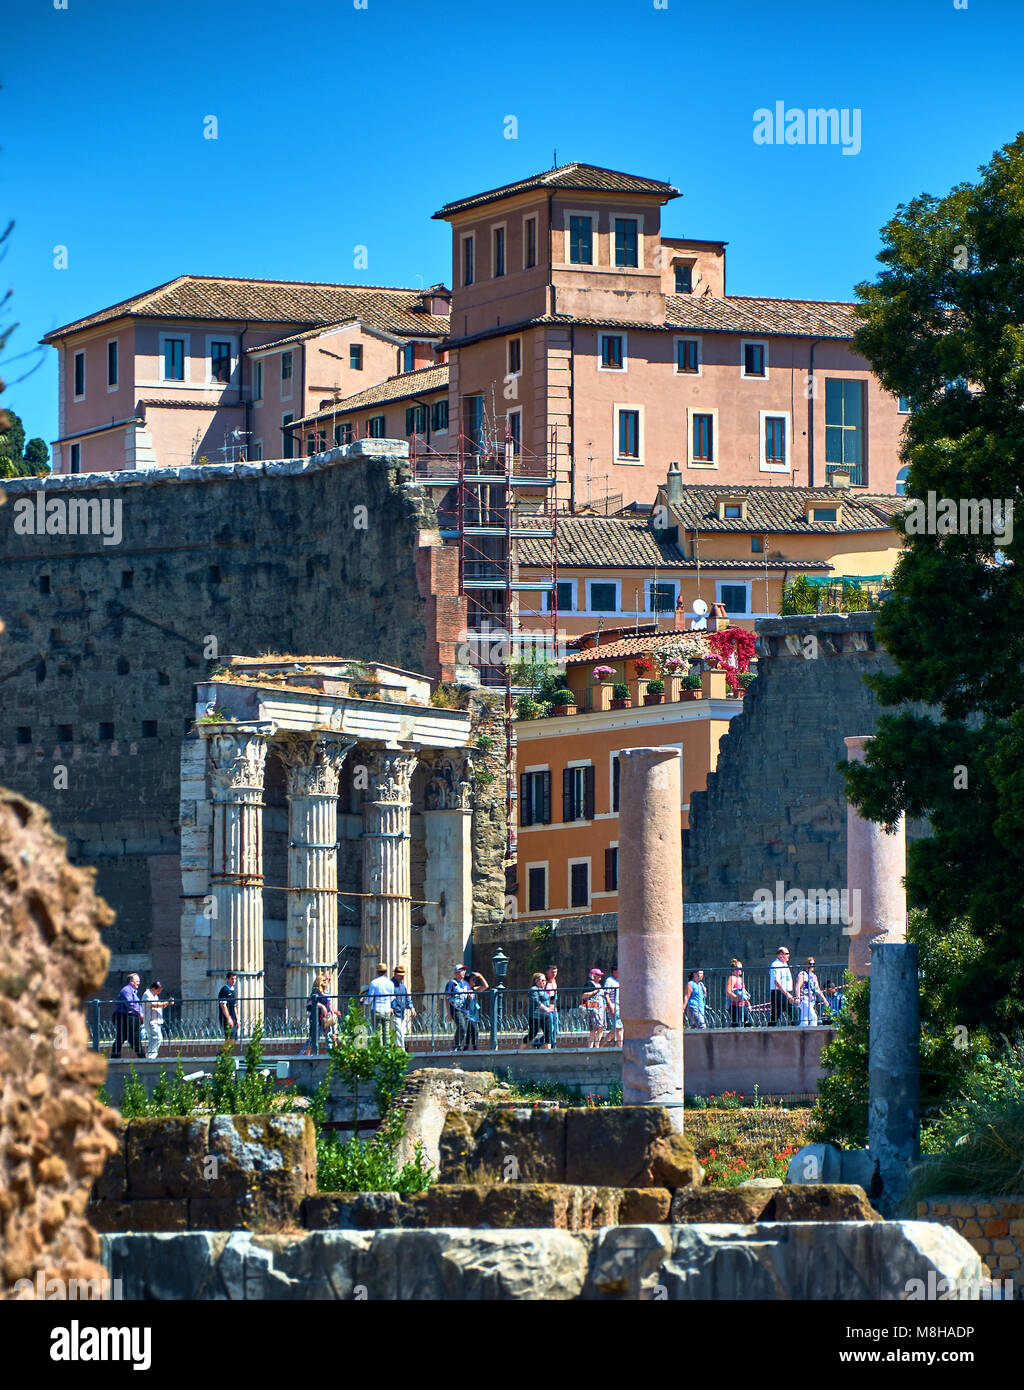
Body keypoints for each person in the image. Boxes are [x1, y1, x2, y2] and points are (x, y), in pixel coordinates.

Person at [299, 972, 337, 1055]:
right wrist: (322, 1007)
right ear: (318, 981)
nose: (326, 981)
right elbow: (310, 1002)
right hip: (318, 1019)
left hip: (326, 1019)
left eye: (327, 980)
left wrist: (333, 1011)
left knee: (329, 1037)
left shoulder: (324, 993)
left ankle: (330, 1055)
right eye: (324, 980)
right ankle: (301, 1054)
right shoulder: (315, 991)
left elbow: (328, 1004)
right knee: (313, 1038)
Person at [112, 973, 144, 1059]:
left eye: (139, 981)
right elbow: (131, 1004)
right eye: (137, 981)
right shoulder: (126, 990)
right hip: (124, 1018)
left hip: (131, 1018)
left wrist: (141, 1014)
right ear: (131, 982)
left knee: (132, 1038)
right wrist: (140, 1014)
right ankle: (115, 1058)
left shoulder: (134, 992)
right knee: (122, 1037)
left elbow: (137, 1005)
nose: (138, 983)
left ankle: (142, 1057)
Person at [362, 962, 396, 1042]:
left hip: (377, 1009)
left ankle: (379, 1050)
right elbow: (392, 997)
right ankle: (386, 1051)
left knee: (377, 1033)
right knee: (386, 1033)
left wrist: (364, 1001)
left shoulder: (374, 982)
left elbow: (370, 998)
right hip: (387, 1009)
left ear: (378, 972)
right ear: (385, 971)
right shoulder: (390, 983)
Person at [141, 980, 174, 1060]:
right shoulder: (147, 994)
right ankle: (150, 1057)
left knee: (156, 1038)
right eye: (158, 990)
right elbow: (154, 1005)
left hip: (155, 1020)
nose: (158, 992)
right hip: (151, 1021)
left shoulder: (154, 995)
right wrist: (166, 1002)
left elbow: (161, 1006)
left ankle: (151, 1056)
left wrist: (167, 1003)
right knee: (156, 1038)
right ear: (153, 988)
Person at [521, 971, 554, 1049]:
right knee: (533, 1033)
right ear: (536, 981)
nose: (544, 982)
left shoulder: (544, 991)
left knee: (548, 1034)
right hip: (535, 1015)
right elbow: (536, 1002)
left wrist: (551, 1006)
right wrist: (546, 1008)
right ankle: (520, 1049)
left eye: (545, 980)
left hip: (546, 1016)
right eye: (542, 980)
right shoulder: (534, 989)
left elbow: (547, 1001)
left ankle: (548, 1053)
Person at [445, 963, 473, 1052]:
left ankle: (458, 1047)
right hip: (455, 1008)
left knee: (464, 1030)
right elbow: (447, 997)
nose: (463, 972)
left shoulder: (466, 983)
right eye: (461, 971)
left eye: (464, 971)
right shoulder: (451, 983)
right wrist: (448, 1013)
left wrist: (470, 996)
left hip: (465, 1009)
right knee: (461, 1026)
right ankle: (454, 1046)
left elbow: (469, 995)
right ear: (456, 973)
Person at [795, 957, 828, 1026]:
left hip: (812, 1000)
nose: (812, 965)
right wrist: (797, 997)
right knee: (814, 1017)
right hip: (804, 999)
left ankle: (801, 1034)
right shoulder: (802, 974)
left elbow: (818, 989)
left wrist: (824, 999)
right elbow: (797, 986)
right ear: (806, 964)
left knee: (805, 1020)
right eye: (810, 963)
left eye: (813, 964)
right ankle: (814, 1034)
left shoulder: (814, 976)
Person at [769, 947, 796, 1026]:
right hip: (779, 992)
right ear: (780, 955)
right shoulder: (775, 965)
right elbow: (776, 981)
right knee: (778, 1014)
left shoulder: (784, 964)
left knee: (792, 1013)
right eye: (786, 954)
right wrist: (787, 994)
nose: (788, 955)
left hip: (785, 992)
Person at [391, 965, 416, 1048]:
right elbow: (388, 998)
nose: (402, 977)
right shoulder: (390, 985)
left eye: (403, 975)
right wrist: (391, 1007)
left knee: (401, 1032)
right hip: (394, 1012)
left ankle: (397, 1048)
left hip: (402, 1012)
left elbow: (407, 998)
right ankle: (401, 1049)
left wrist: (412, 1008)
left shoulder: (402, 986)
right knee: (398, 1032)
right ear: (395, 974)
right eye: (400, 975)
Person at [581, 968, 607, 1048]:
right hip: (593, 1008)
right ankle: (590, 1046)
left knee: (601, 1026)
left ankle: (597, 1045)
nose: (600, 977)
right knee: (593, 1028)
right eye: (598, 975)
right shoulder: (589, 984)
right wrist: (594, 992)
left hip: (601, 1008)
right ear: (594, 976)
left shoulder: (599, 985)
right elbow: (584, 995)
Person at [464, 970, 489, 1050]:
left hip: (474, 1015)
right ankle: (474, 1049)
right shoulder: (465, 990)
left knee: (472, 1033)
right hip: (468, 1015)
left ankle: (467, 1049)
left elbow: (486, 986)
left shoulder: (475, 990)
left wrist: (480, 976)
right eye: (473, 979)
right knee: (473, 1032)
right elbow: (468, 998)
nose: (475, 981)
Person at [726, 959, 753, 1027]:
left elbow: (743, 993)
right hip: (734, 1005)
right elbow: (728, 992)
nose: (741, 970)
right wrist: (737, 998)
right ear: (734, 970)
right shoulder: (732, 978)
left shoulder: (740, 979)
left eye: (741, 968)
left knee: (748, 1023)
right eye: (739, 969)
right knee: (736, 1025)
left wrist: (748, 1004)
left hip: (742, 1005)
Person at [603, 965, 622, 1046]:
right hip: (614, 1005)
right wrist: (610, 1006)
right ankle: (621, 1048)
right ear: (614, 971)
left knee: (617, 1028)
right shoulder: (609, 981)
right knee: (619, 1028)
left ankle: (601, 1045)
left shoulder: (619, 980)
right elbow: (606, 994)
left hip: (620, 1006)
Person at [217, 972, 239, 1042]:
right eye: (232, 979)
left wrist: (237, 1019)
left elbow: (234, 1006)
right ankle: (224, 1053)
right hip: (226, 1018)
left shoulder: (233, 991)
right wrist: (228, 1018)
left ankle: (226, 1052)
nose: (234, 981)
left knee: (233, 1039)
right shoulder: (224, 990)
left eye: (235, 979)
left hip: (233, 1017)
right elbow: (223, 1005)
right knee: (229, 1038)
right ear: (228, 979)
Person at [543, 966, 559, 1049]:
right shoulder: (545, 983)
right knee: (551, 1029)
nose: (554, 974)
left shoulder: (554, 982)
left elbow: (554, 996)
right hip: (547, 1009)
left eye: (555, 972)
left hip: (553, 1008)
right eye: (552, 972)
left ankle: (538, 1042)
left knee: (556, 1030)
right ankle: (553, 1046)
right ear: (547, 972)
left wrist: (555, 1007)